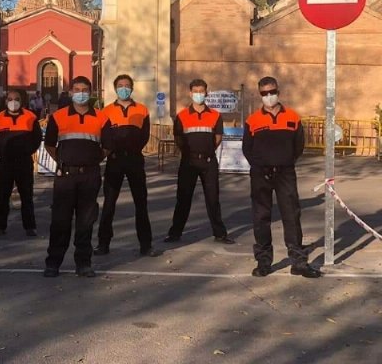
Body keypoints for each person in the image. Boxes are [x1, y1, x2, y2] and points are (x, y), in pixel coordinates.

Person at [242, 76, 321, 278]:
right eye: (264, 93)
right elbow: (247, 148)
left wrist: (285, 161)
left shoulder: (293, 117)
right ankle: (264, 262)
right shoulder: (252, 120)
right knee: (261, 217)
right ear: (260, 94)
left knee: (292, 216)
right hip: (261, 174)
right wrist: (260, 165)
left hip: (285, 172)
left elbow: (298, 145)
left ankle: (298, 262)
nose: (269, 96)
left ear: (278, 91)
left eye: (272, 92)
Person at [43, 76, 112, 278]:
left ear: (90, 93)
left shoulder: (101, 118)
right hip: (65, 176)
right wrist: (63, 160)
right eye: (77, 89)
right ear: (71, 92)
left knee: (86, 222)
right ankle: (53, 263)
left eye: (85, 90)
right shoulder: (58, 116)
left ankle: (83, 263)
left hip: (90, 176)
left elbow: (108, 146)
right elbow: (49, 144)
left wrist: (93, 159)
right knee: (60, 221)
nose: (81, 93)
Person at [164, 78, 234, 245]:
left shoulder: (215, 115)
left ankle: (220, 234)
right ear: (190, 93)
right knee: (183, 198)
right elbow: (179, 139)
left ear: (206, 93)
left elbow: (217, 138)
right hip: (188, 162)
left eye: (201, 91)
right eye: (195, 92)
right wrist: (190, 154)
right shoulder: (182, 116)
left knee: (212, 199)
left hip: (209, 162)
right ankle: (175, 233)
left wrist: (207, 151)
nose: (198, 94)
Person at [95, 74, 158, 257]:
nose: (124, 88)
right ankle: (103, 244)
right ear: (115, 89)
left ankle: (146, 245)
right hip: (114, 161)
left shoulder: (142, 110)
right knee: (109, 204)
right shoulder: (106, 111)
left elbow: (145, 135)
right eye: (120, 85)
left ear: (132, 88)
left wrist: (133, 150)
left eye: (127, 85)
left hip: (135, 161)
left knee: (141, 203)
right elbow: (103, 137)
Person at [0, 90, 42, 237]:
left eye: (17, 99)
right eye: (10, 99)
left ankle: (30, 227)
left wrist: (26, 151)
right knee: (3, 196)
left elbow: (37, 139)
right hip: (5, 163)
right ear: (6, 101)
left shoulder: (31, 117)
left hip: (24, 162)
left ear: (22, 100)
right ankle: (0, 226)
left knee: (27, 196)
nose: (13, 102)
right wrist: (3, 150)